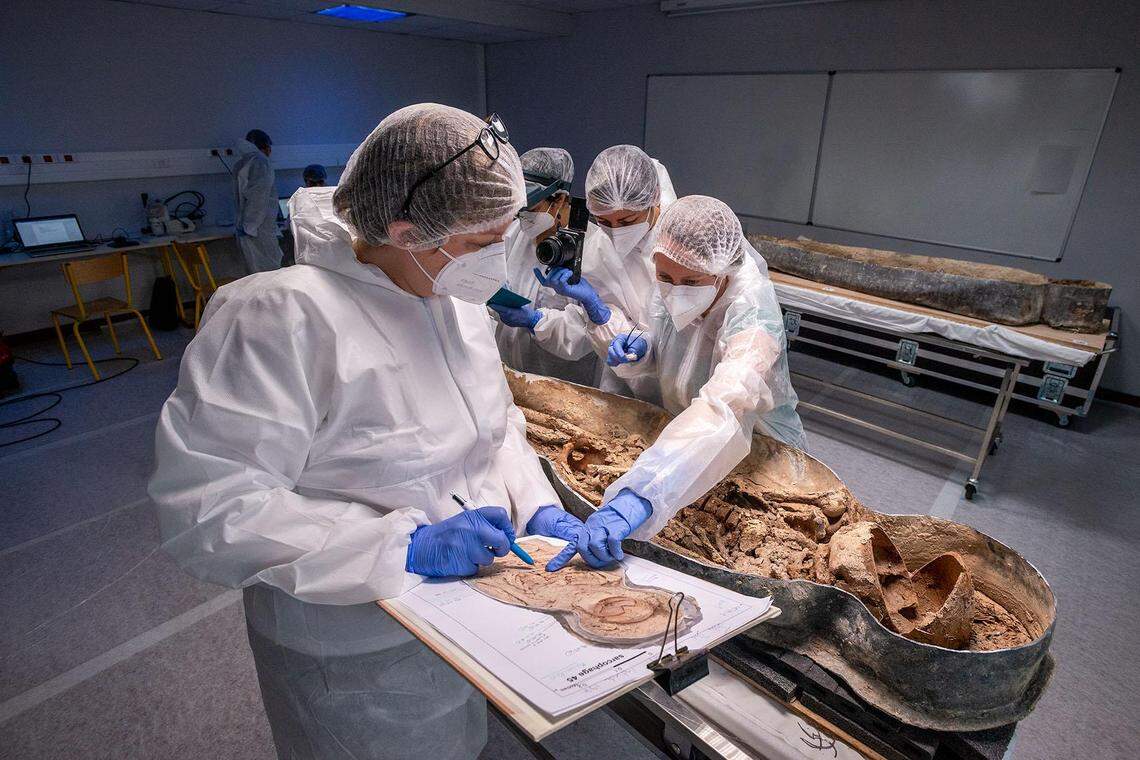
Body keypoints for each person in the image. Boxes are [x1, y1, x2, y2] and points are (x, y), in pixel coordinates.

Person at [150, 104, 595, 760]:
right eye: (481, 245)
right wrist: (400, 548)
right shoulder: (279, 318)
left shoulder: (452, 300)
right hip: (349, 648)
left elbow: (496, 430)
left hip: (467, 610)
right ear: (406, 229)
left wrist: (538, 507)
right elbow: (210, 510)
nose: (497, 266)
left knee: (458, 745)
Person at [547, 195, 805, 571]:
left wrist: (642, 494)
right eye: (665, 277)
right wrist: (643, 348)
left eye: (691, 281)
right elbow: (670, 348)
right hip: (688, 450)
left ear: (723, 273)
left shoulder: (753, 313)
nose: (674, 289)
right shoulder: (671, 282)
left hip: (760, 455)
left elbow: (726, 404)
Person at [504, 144, 676, 394]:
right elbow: (595, 327)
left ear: (653, 203)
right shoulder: (600, 250)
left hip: (691, 387)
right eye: (604, 221)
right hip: (629, 384)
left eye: (626, 221)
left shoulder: (686, 238)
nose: (615, 231)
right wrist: (598, 313)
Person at [488, 147, 599, 386]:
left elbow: (588, 337)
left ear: (559, 199)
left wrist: (536, 320)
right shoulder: (514, 234)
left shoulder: (594, 250)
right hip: (512, 373)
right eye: (518, 210)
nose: (522, 216)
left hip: (564, 382)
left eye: (530, 209)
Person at [233, 128, 285, 273]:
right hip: (258, 228)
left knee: (254, 272)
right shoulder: (261, 163)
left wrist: (246, 226)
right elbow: (259, 198)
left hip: (248, 227)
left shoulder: (242, 163)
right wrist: (251, 226)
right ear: (267, 147)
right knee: (269, 272)